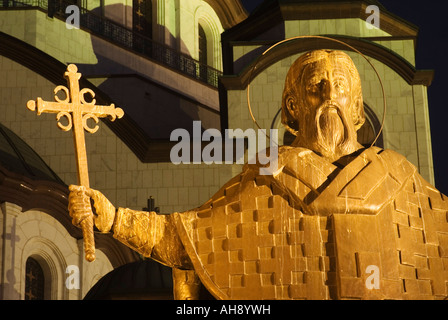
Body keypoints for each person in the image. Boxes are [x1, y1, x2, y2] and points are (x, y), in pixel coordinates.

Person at [69, 50, 448, 300]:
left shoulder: (404, 182)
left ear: (359, 109)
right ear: (292, 107)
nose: (331, 93)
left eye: (342, 86)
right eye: (316, 85)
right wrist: (114, 218)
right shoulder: (267, 177)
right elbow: (188, 239)